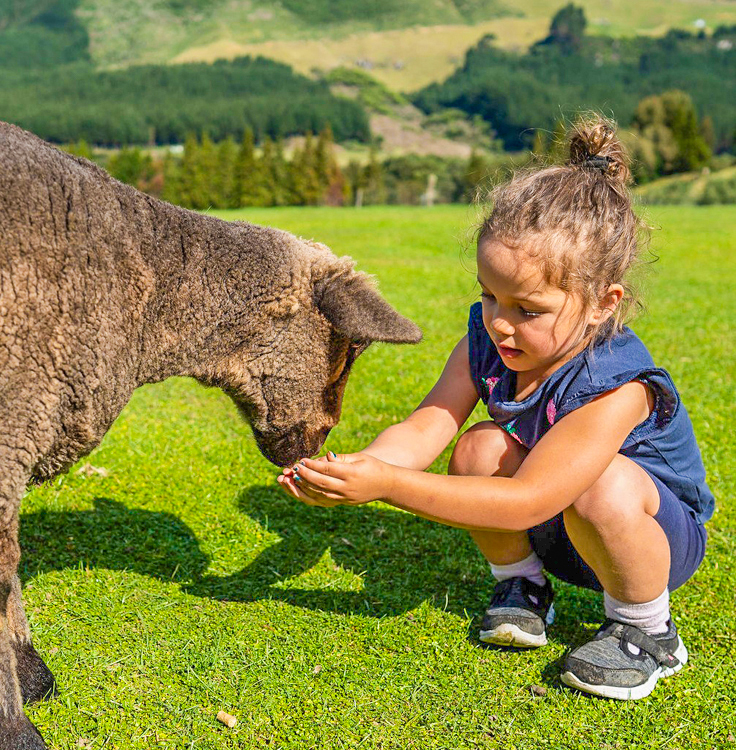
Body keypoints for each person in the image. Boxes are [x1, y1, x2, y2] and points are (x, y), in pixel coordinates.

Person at [277, 116, 714, 701]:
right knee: (480, 444)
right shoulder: (486, 344)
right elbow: (429, 422)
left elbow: (530, 499)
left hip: (646, 537)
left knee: (602, 485)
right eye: (489, 295)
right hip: (555, 523)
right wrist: (362, 465)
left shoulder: (617, 386)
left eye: (527, 308)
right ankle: (523, 588)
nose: (499, 322)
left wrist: (387, 486)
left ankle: (647, 630)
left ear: (600, 304)